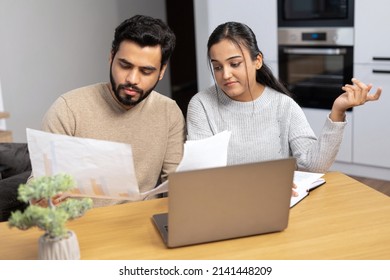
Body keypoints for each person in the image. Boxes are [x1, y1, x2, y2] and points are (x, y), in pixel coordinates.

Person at [186, 21, 381, 174]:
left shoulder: (283, 105)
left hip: (277, 203)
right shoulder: (202, 105)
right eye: (218, 67)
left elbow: (313, 165)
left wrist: (338, 111)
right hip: (223, 206)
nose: (225, 74)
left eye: (235, 64)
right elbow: (202, 173)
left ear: (257, 61)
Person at [40, 15, 186, 207]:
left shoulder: (169, 112)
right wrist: (43, 197)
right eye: (125, 65)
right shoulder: (68, 109)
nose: (132, 79)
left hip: (142, 223)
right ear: (111, 57)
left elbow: (176, 186)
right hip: (83, 224)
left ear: (161, 71)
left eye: (146, 71)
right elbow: (40, 183)